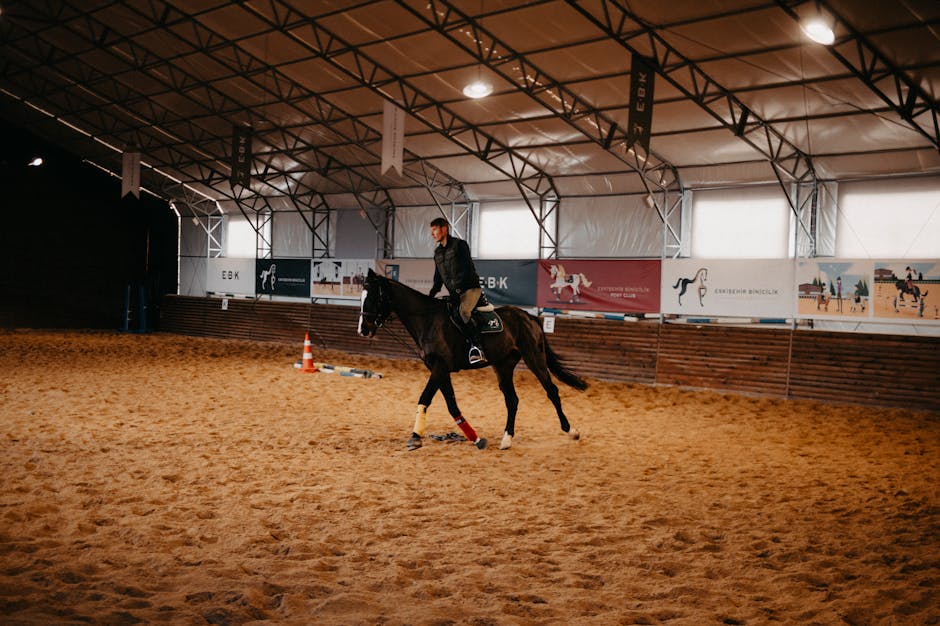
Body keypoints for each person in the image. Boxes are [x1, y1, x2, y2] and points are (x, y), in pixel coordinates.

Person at [427, 217, 486, 364]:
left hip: (470, 289)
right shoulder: (437, 253)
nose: (432, 234)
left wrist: (460, 288)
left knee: (463, 312)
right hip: (455, 293)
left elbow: (467, 268)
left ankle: (477, 347)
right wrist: (432, 293)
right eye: (432, 231)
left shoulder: (460, 245)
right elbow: (438, 276)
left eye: (434, 230)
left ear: (444, 229)